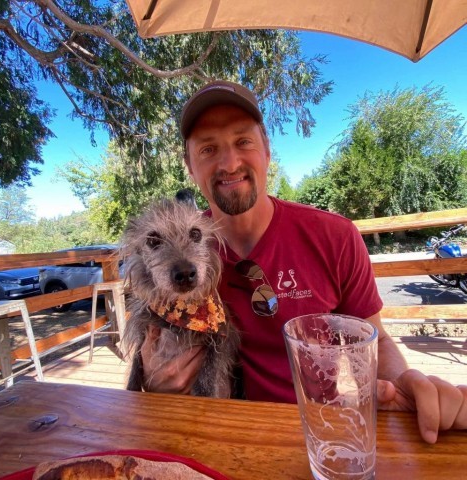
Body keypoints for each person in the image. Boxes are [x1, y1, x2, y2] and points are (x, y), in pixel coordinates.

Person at [140, 80, 467, 443]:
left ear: (267, 149)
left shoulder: (335, 237)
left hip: (324, 434)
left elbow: (376, 341)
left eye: (243, 141)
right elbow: (152, 344)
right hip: (216, 431)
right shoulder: (178, 259)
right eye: (208, 149)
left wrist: (406, 381)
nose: (229, 163)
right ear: (189, 165)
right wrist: (158, 386)